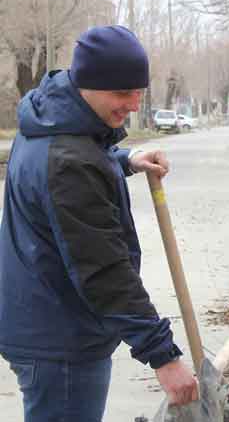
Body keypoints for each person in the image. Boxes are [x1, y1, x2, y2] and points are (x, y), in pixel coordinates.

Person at [0, 26, 198, 422]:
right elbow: (104, 271)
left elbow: (73, 167)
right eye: (122, 94)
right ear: (88, 85)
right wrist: (163, 355)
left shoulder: (51, 119)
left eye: (138, 92)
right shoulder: (70, 163)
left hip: (40, 317)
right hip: (60, 338)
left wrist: (122, 161)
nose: (133, 104)